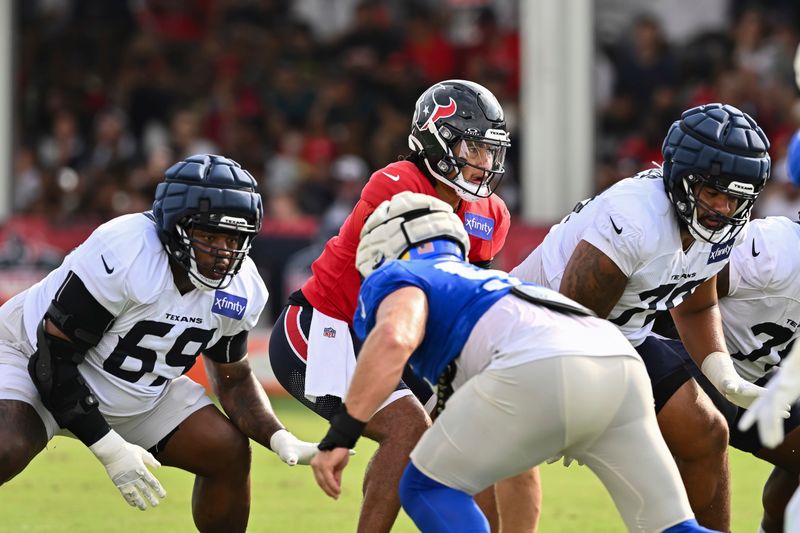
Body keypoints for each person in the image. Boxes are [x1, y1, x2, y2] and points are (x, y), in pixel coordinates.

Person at [310, 191, 717, 533]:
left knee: (425, 487)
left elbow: (394, 337)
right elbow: (518, 471)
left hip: (539, 366)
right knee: (673, 527)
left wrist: (341, 435)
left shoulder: (403, 274)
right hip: (618, 363)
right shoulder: (496, 284)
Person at [268, 79, 540, 532]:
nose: (485, 163)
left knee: (482, 439)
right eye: (473, 147)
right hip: (325, 329)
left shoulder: (491, 213)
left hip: (398, 335)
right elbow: (408, 288)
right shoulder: (396, 183)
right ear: (436, 140)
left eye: (491, 151)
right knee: (408, 430)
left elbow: (466, 296)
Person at [0, 154, 317, 532]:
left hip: (137, 391)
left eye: (233, 238)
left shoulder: (244, 287)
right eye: (209, 235)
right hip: (32, 359)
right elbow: (53, 359)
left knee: (227, 452)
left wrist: (276, 434)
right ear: (174, 227)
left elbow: (233, 377)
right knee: (7, 447)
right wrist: (108, 448)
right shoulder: (126, 252)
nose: (223, 252)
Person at [510, 103, 772, 531]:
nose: (724, 208)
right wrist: (573, 406)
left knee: (706, 433)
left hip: (620, 338)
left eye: (736, 196)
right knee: (503, 466)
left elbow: (697, 304)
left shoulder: (724, 224)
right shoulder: (633, 220)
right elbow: (573, 322)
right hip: (537, 335)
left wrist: (722, 371)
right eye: (713, 192)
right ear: (681, 177)